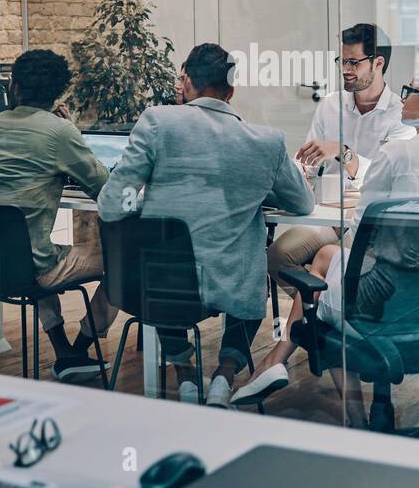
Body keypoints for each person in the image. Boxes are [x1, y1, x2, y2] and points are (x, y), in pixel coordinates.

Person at [234, 64, 419, 415]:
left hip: (383, 304)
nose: (402, 99)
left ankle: (341, 410)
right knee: (324, 260)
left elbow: (360, 229)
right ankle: (277, 364)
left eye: (408, 92)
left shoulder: (398, 155)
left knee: (317, 291)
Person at [97, 42, 314, 407]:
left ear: (187, 83)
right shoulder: (265, 141)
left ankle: (183, 372)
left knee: (161, 271)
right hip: (229, 280)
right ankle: (224, 375)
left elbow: (110, 204)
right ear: (231, 91)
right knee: (255, 283)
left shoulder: (156, 121)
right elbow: (302, 202)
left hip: (159, 284)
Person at [0, 49, 119, 381]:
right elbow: (106, 192)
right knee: (124, 264)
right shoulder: (59, 132)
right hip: (34, 267)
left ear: (14, 86)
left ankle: (64, 350)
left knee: (33, 244)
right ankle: (81, 348)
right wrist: (69, 132)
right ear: (58, 93)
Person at [265, 23, 414, 307]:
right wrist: (299, 176)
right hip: (329, 217)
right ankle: (320, 321)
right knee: (277, 257)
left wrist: (343, 152)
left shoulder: (401, 114)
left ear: (378, 62)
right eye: (342, 61)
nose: (345, 68)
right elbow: (306, 161)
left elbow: (388, 177)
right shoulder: (330, 105)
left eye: (353, 62)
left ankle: (324, 323)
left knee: (340, 269)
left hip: (368, 223)